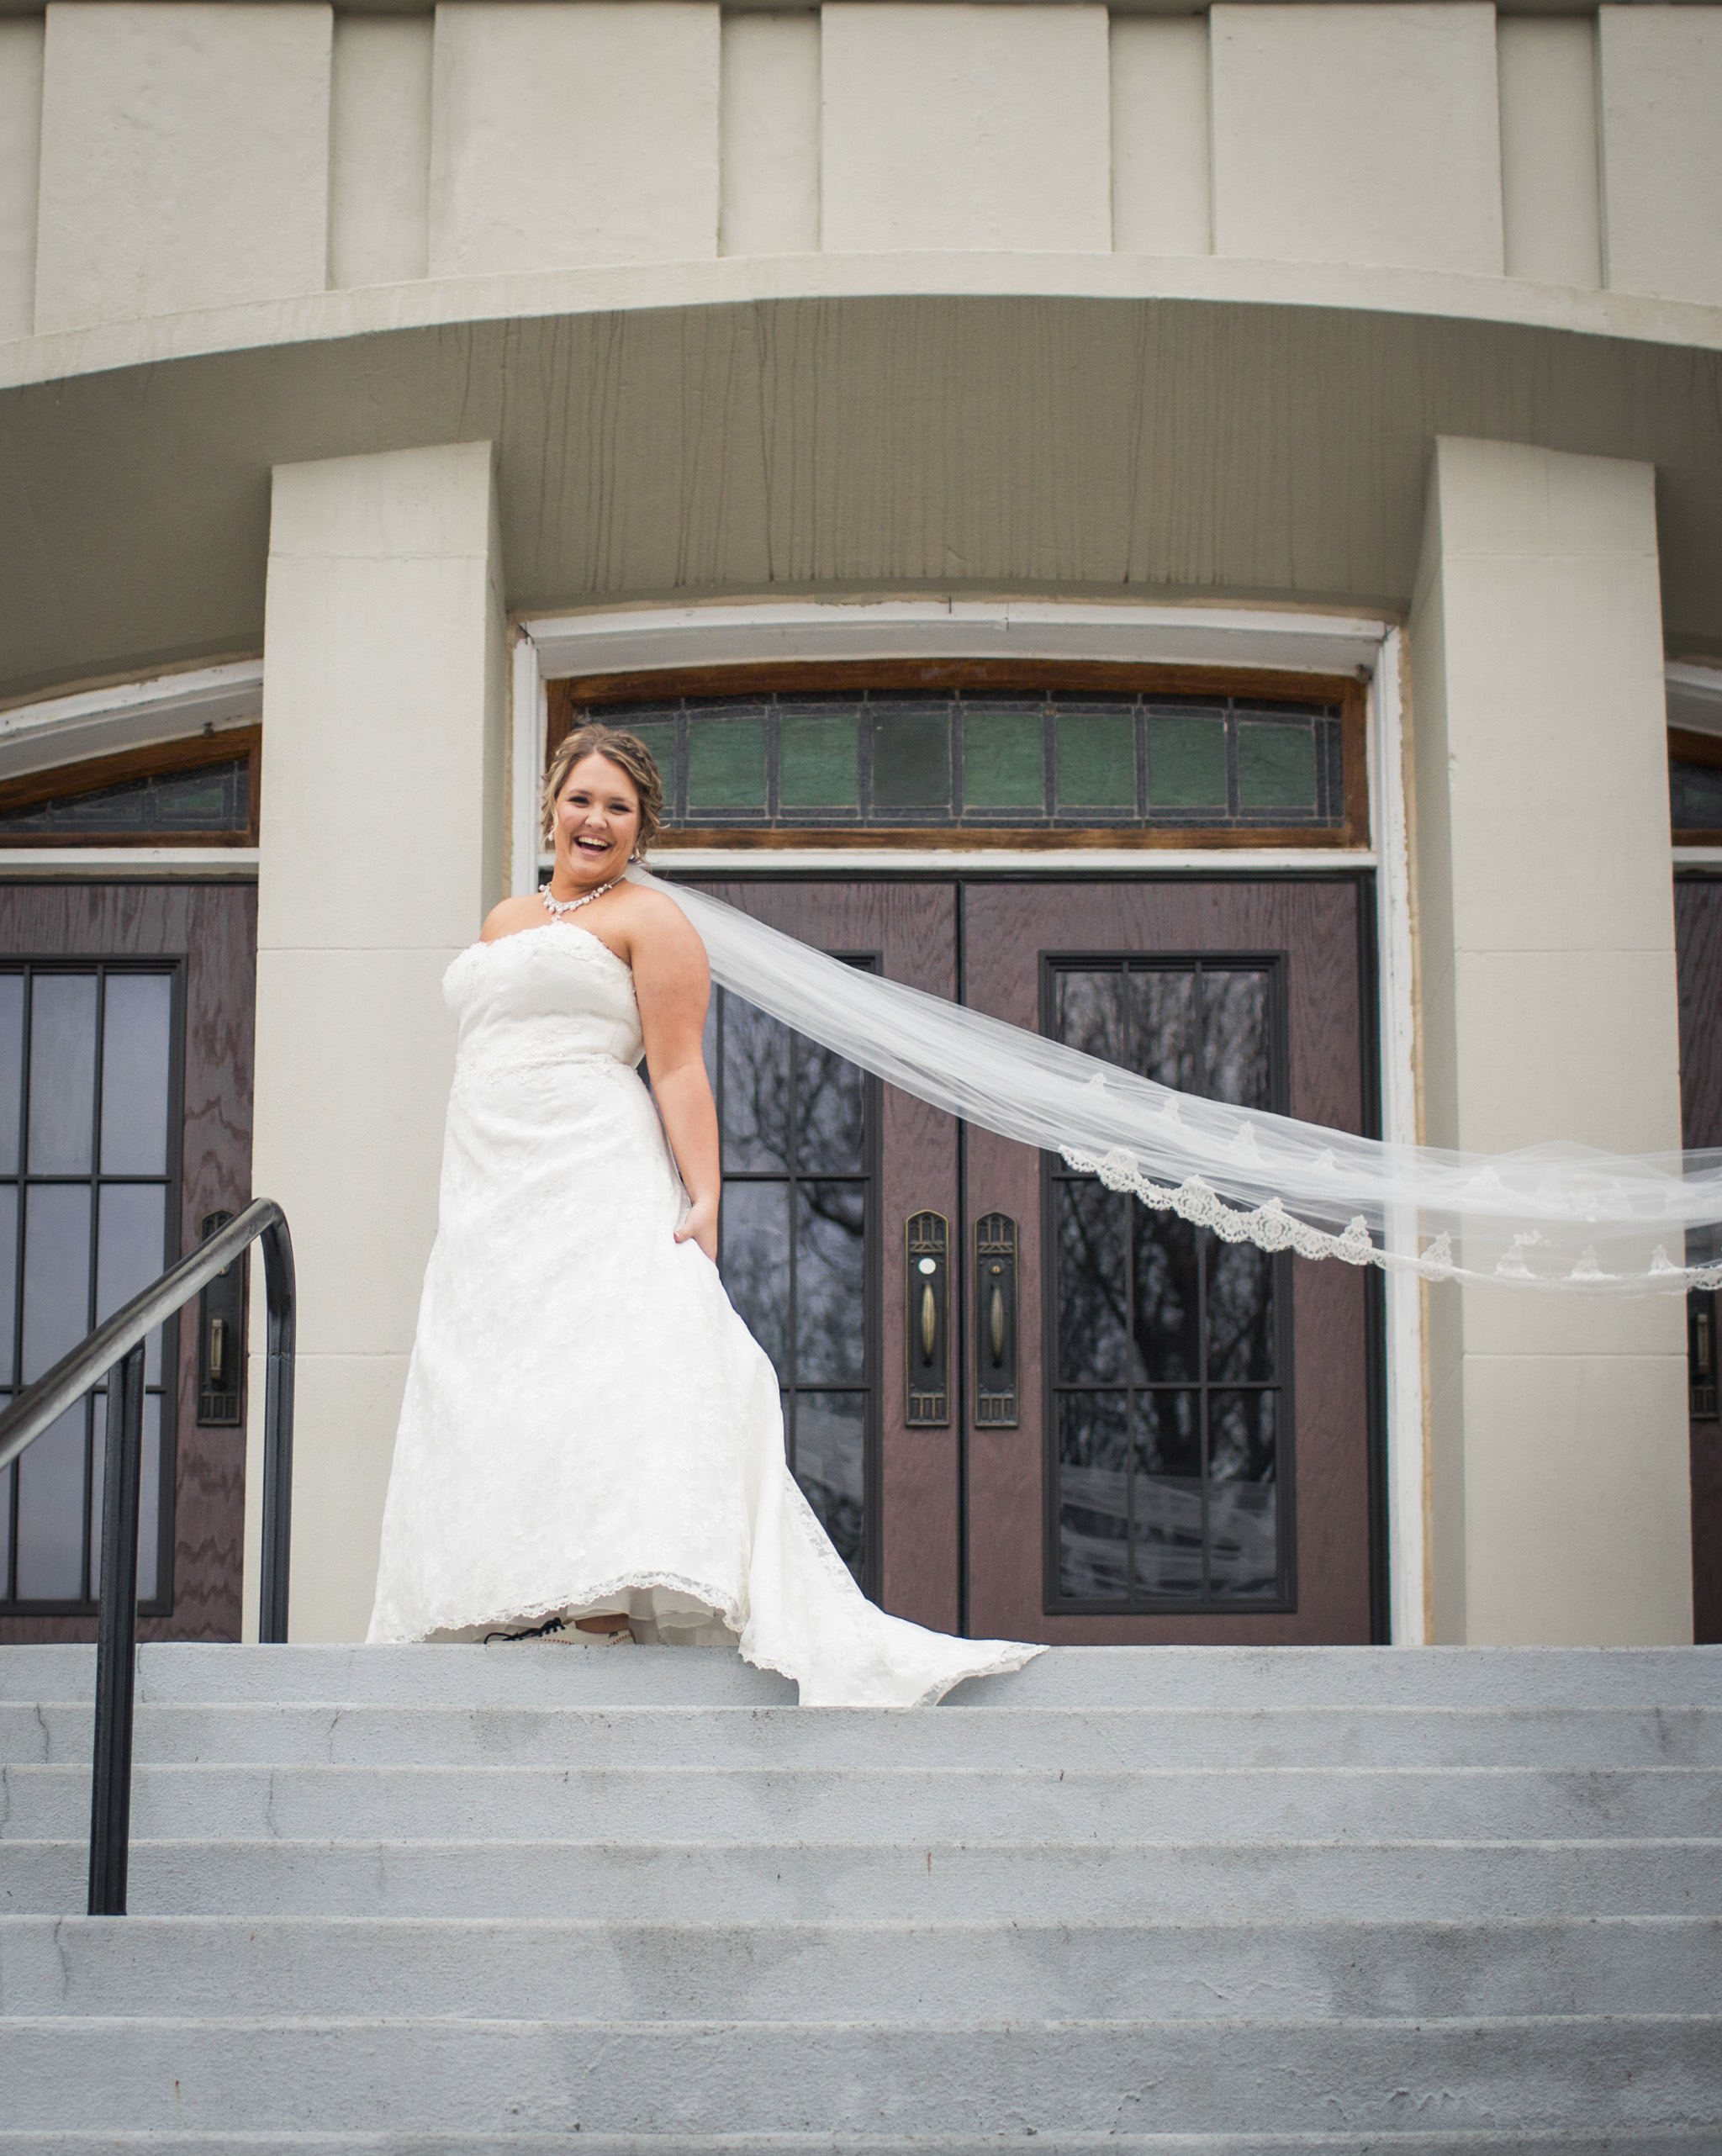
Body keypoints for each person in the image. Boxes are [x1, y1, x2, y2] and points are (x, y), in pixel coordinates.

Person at [367, 725, 1039, 1705]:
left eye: (619, 807)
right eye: (582, 798)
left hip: (587, 1160)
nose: (595, 819)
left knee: (594, 1366)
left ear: (640, 829)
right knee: (496, 1374)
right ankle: (510, 1595)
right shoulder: (506, 916)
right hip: (489, 1178)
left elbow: (677, 1064)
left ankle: (595, 1609)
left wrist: (706, 1193)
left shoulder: (651, 919)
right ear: (550, 802)